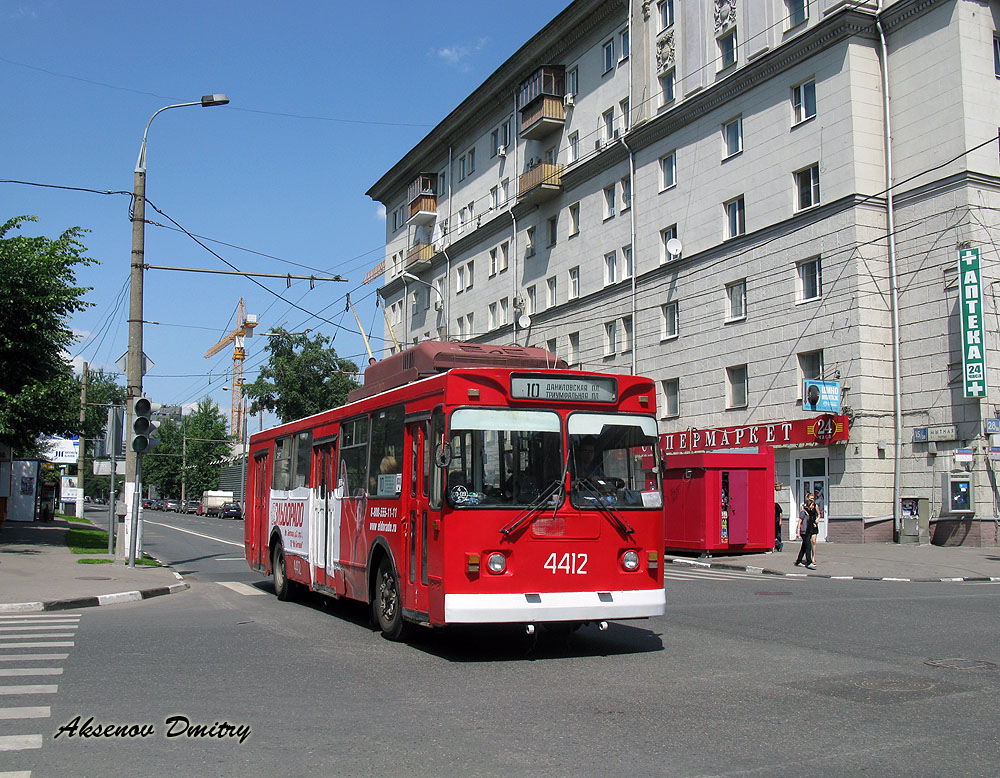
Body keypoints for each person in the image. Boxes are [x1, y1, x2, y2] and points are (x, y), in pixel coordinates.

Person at [794, 493, 819, 569]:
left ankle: (798, 561)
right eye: (811, 498)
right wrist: (798, 532)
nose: (813, 507)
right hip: (804, 532)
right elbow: (800, 522)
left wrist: (815, 523)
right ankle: (809, 562)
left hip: (809, 531)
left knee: (804, 547)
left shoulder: (810, 512)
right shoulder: (803, 512)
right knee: (808, 547)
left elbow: (813, 519)